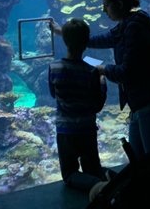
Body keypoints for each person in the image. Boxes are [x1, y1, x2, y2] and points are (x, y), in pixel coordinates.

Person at [54, 0, 150, 163]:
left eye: (106, 5)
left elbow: (127, 72)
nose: (104, 10)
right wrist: (65, 33)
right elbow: (101, 40)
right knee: (141, 161)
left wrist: (102, 69)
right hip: (140, 103)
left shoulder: (134, 29)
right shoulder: (127, 24)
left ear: (118, 4)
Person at [48, 18, 108, 192]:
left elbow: (54, 94)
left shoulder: (54, 67)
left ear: (65, 41)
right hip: (87, 129)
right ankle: (106, 183)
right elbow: (97, 105)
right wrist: (102, 81)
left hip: (65, 130)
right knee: (93, 168)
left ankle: (96, 186)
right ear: (86, 42)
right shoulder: (92, 70)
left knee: (69, 174)